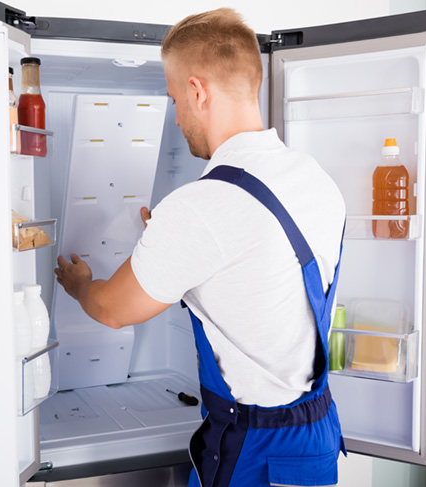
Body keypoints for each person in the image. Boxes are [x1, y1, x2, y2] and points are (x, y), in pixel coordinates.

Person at [55, 8, 347, 487]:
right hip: (314, 437)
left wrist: (81, 284)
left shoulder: (203, 206)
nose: (177, 115)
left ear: (196, 91)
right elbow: (255, 277)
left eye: (174, 99)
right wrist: (168, 243)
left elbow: (112, 310)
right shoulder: (313, 177)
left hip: (256, 449)